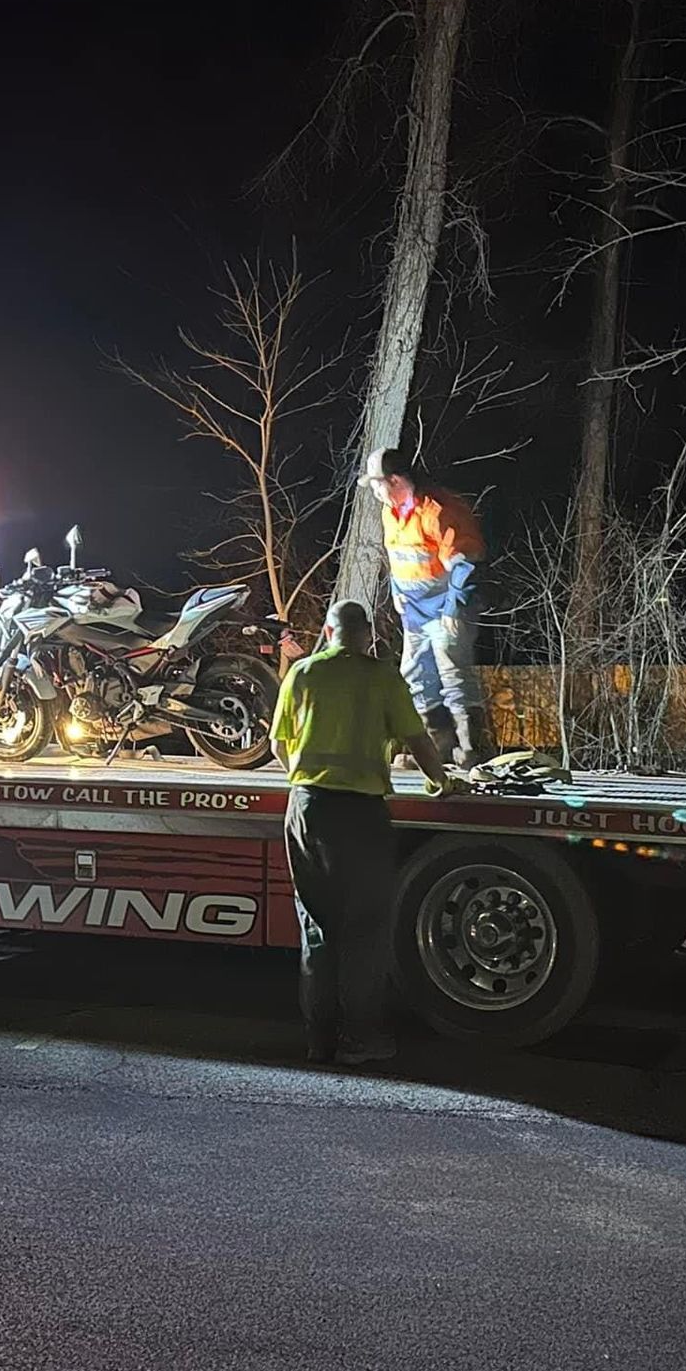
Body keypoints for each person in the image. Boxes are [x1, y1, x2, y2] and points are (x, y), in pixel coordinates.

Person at [270, 598, 459, 1066]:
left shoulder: (304, 673)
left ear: (329, 633)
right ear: (365, 634)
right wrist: (442, 782)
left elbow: (278, 744)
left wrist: (305, 781)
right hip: (360, 817)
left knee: (317, 928)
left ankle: (318, 1042)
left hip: (307, 810)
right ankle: (362, 1039)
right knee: (363, 930)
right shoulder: (381, 676)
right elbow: (417, 739)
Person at [360, 446, 493, 768]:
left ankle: (471, 749)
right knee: (417, 675)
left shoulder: (439, 510)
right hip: (415, 611)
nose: (375, 492)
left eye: (377, 484)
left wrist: (452, 608)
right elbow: (396, 557)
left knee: (452, 671)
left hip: (448, 608)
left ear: (393, 481)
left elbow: (466, 564)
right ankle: (436, 749)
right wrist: (396, 591)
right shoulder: (390, 512)